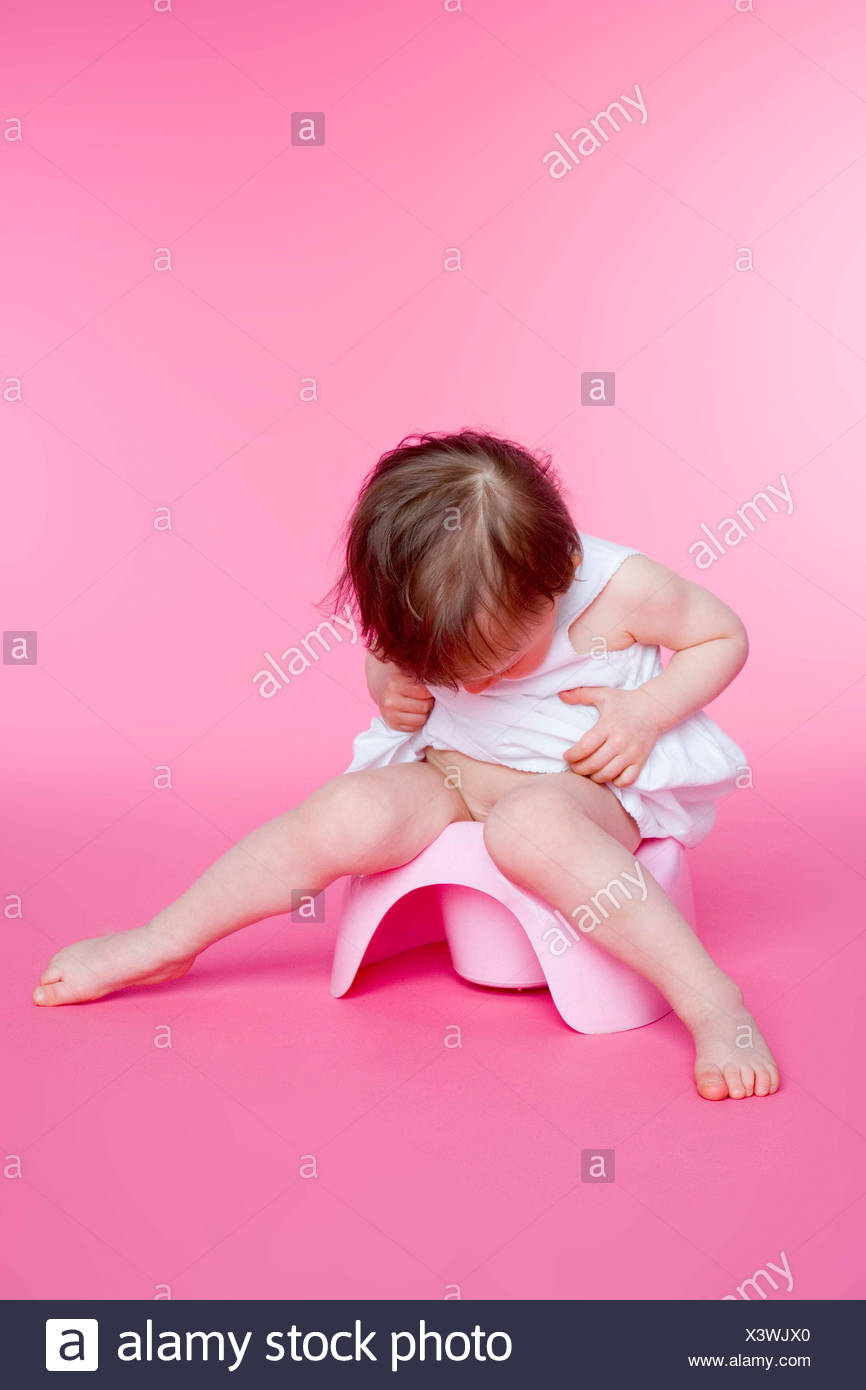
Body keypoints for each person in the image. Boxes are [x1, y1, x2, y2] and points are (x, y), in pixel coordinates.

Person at [32, 430, 779, 1102]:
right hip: (452, 774)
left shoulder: (623, 589)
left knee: (530, 826)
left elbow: (723, 637)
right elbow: (382, 661)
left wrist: (646, 711)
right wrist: (390, 687)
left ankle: (712, 1001)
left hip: (585, 789)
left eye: (503, 661)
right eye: (453, 669)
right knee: (341, 813)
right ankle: (164, 942)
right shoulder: (422, 599)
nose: (479, 687)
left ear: (565, 568)